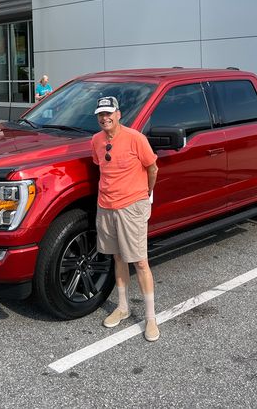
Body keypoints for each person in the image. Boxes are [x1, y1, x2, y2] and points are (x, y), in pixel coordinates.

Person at [91, 96, 160, 342]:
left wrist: (146, 194)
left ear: (118, 114)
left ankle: (151, 317)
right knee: (118, 257)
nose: (104, 118)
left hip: (132, 206)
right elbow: (102, 167)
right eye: (100, 114)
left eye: (109, 113)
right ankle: (122, 307)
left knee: (140, 261)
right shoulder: (96, 140)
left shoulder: (136, 139)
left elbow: (152, 168)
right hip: (106, 206)